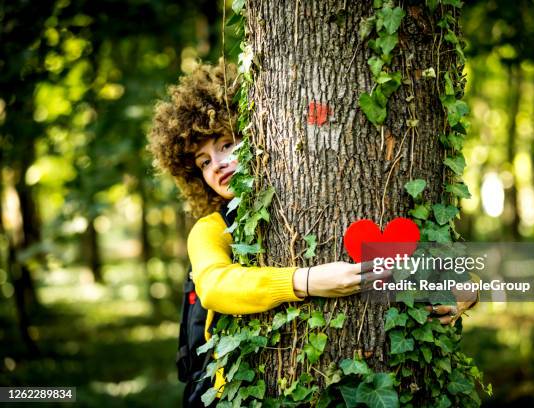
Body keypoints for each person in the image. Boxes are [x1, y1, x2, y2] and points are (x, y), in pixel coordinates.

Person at [148, 60, 476, 402]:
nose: (217, 163)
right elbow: (215, 286)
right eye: (203, 161)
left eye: (227, 144)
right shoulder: (210, 229)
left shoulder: (290, 204)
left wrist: (467, 292)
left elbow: (422, 263)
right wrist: (307, 281)